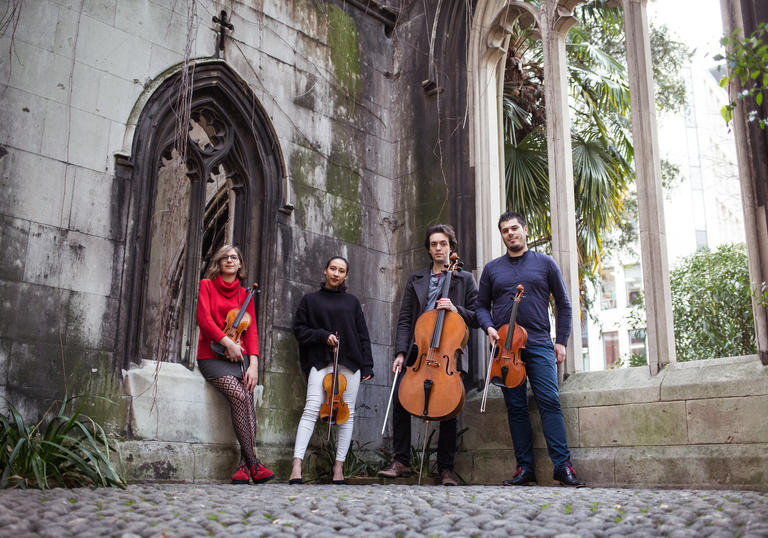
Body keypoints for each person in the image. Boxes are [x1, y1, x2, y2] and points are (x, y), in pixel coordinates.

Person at [476, 211, 585, 487]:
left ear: (525, 230)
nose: (510, 233)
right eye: (504, 230)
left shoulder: (545, 263)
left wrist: (561, 341)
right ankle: (524, 468)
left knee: (549, 402)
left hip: (538, 343)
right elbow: (480, 306)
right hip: (505, 348)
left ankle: (562, 466)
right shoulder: (492, 269)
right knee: (516, 407)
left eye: (514, 228)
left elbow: (564, 303)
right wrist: (489, 327)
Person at [378, 224, 478, 486]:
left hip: (449, 353)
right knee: (401, 398)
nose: (438, 248)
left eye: (442, 244)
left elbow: (478, 316)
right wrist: (401, 352)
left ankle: (446, 468)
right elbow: (405, 318)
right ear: (429, 249)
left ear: (451, 247)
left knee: (449, 408)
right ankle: (401, 461)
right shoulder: (416, 279)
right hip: (419, 349)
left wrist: (456, 310)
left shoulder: (464, 279)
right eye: (433, 244)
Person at [289, 256, 374, 484]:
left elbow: (363, 335)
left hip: (350, 362)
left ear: (346, 276)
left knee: (347, 414)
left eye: (341, 270)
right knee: (312, 407)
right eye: (333, 269)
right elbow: (299, 330)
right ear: (325, 271)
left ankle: (339, 468)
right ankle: (296, 464)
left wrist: (367, 364)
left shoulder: (352, 302)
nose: (336, 273)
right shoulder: (310, 300)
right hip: (320, 360)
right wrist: (322, 335)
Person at [196, 244, 274, 485]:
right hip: (212, 356)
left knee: (248, 396)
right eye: (225, 258)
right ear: (219, 263)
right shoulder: (206, 286)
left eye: (234, 258)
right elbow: (204, 319)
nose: (229, 261)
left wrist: (254, 365)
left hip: (240, 358)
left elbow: (250, 333)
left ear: (240, 265)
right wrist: (226, 343)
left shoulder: (245, 294)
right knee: (239, 397)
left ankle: (243, 467)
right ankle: (254, 464)